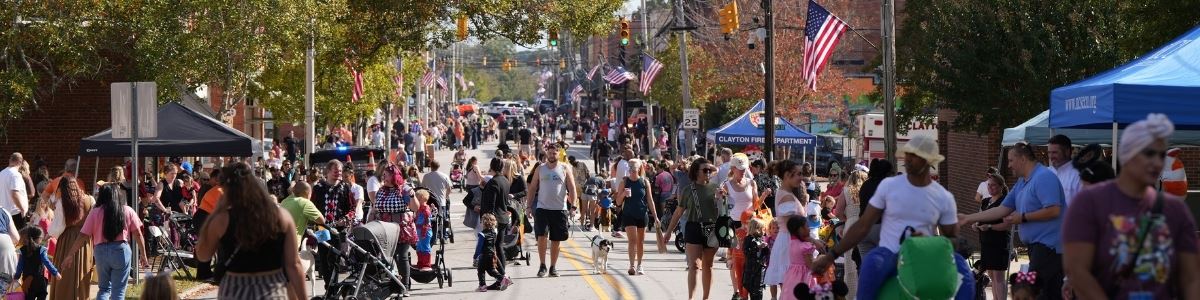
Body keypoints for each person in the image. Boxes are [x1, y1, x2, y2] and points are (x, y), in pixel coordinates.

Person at [814, 134, 973, 299]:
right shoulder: (889, 186)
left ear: (928, 160)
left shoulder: (943, 197)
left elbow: (951, 239)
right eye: (907, 155)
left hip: (925, 255)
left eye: (914, 156)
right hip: (891, 255)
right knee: (871, 262)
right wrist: (831, 255)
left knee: (963, 270)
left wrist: (929, 241)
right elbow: (863, 225)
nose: (908, 159)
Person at [1062, 114, 1200, 299]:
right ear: (1128, 153)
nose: (1157, 162)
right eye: (1149, 153)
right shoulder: (1089, 202)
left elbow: (1191, 277)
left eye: (1161, 155)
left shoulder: (1175, 209)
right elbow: (1077, 271)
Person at [959, 141, 1066, 299]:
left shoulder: (1044, 177)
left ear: (1022, 159)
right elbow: (1002, 209)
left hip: (1049, 247)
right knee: (1047, 293)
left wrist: (1023, 217)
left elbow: (1054, 210)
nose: (1009, 165)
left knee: (1033, 292)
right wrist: (968, 218)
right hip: (1036, 247)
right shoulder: (1022, 182)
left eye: (1011, 160)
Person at [195, 162, 306, 299]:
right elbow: (294, 264)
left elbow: (203, 255)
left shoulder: (222, 219)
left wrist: (216, 211)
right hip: (272, 288)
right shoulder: (281, 216)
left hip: (235, 289)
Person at [61, 169, 149, 300]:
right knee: (118, 291)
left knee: (104, 289)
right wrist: (143, 255)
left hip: (100, 251)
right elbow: (138, 234)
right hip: (121, 251)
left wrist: (70, 255)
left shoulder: (95, 212)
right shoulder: (127, 210)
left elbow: (83, 235)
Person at [661, 158, 722, 300]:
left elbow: (723, 210)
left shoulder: (716, 188)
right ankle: (691, 298)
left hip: (712, 228)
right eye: (705, 170)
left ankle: (706, 298)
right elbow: (678, 212)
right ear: (696, 172)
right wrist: (668, 232)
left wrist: (720, 198)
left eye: (709, 170)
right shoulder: (688, 190)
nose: (708, 172)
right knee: (694, 265)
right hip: (693, 227)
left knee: (708, 265)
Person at [526, 143, 578, 278]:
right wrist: (528, 206)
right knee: (541, 237)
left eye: (554, 153)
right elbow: (532, 188)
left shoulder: (565, 168)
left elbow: (572, 188)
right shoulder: (540, 168)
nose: (552, 155)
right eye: (549, 153)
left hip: (559, 209)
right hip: (542, 208)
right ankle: (542, 265)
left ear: (559, 154)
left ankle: (553, 267)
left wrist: (573, 206)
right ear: (546, 153)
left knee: (556, 239)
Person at [763, 160, 813, 299]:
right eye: (798, 174)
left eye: (801, 174)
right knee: (791, 287)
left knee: (789, 288)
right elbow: (795, 227)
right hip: (789, 242)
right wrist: (812, 240)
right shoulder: (787, 196)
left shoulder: (786, 193)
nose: (801, 177)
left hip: (787, 241)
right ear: (786, 175)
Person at [367, 164, 417, 293]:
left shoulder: (404, 189)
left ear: (394, 176)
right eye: (383, 175)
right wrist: (368, 224)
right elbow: (375, 209)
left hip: (401, 228)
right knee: (386, 258)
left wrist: (412, 196)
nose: (384, 177)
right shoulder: (381, 190)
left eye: (387, 175)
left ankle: (405, 286)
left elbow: (415, 208)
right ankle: (392, 285)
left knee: (401, 256)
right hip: (384, 229)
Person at [47, 176, 91, 300]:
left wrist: (49, 233)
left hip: (68, 239)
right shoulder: (89, 199)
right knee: (82, 271)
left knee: (65, 273)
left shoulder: (62, 203)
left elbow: (57, 228)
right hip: (85, 239)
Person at [614, 159, 657, 276]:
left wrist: (655, 216)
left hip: (642, 214)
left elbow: (650, 200)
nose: (631, 170)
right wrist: (623, 194)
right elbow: (618, 202)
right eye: (630, 168)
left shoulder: (644, 182)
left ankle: (640, 265)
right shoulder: (624, 182)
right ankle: (632, 265)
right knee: (632, 240)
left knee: (640, 242)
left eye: (634, 168)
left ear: (639, 169)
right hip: (629, 214)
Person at [972, 173, 1011, 300]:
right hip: (986, 242)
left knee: (999, 277)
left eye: (993, 185)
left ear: (1001, 186)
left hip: (999, 243)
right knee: (992, 276)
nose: (990, 188)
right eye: (988, 185)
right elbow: (981, 217)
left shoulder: (1005, 202)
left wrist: (989, 227)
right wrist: (976, 224)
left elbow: (1007, 225)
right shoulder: (985, 201)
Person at [832, 170, 867, 300]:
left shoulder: (846, 191)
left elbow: (838, 212)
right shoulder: (866, 191)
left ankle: (851, 295)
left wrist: (846, 219)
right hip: (866, 224)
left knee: (851, 263)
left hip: (851, 226)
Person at [478, 158, 511, 284]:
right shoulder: (505, 180)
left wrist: (487, 221)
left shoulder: (493, 182)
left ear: (492, 166)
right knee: (499, 246)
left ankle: (503, 277)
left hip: (494, 220)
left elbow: (490, 204)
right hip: (503, 217)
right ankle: (502, 276)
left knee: (491, 249)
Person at [855, 159, 892, 261]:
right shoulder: (887, 186)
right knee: (885, 264)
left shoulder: (865, 185)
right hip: (881, 227)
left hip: (863, 229)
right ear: (887, 173)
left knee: (867, 264)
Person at [17, 226, 60, 300]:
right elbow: (47, 262)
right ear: (39, 238)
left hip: (28, 281)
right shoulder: (41, 249)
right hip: (40, 280)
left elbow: (19, 266)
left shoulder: (22, 250)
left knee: (28, 297)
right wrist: (55, 273)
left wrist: (16, 277)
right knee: (42, 295)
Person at [476, 213, 514, 292]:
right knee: (491, 270)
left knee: (480, 270)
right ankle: (503, 279)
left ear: (483, 223)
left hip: (483, 255)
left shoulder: (482, 234)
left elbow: (479, 246)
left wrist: (475, 256)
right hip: (492, 254)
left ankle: (482, 285)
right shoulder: (494, 233)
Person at [1047, 135, 1082, 206]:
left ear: (1067, 152)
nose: (1051, 156)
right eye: (1049, 152)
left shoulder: (1078, 174)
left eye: (1054, 152)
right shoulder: (1045, 172)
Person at [2, 153, 29, 230]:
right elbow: (14, 194)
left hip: (4, 212)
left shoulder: (1, 173)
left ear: (10, 160)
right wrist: (22, 209)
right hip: (16, 213)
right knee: (19, 236)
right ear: (20, 162)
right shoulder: (15, 175)